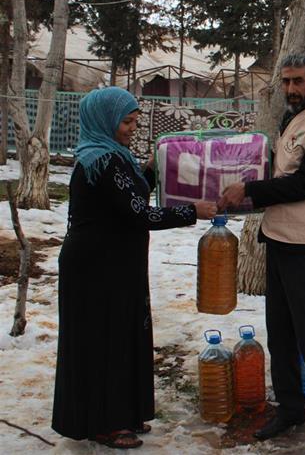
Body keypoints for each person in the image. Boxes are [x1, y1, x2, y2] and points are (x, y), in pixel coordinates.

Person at [52, 87, 217, 449]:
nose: (131, 128)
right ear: (105, 120)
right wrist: (192, 211)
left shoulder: (113, 156)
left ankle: (122, 413)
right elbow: (139, 213)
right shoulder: (103, 160)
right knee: (103, 341)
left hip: (115, 263)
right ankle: (104, 424)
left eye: (134, 121)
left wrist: (154, 167)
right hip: (95, 268)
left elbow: (131, 194)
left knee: (123, 335)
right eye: (126, 122)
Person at [219, 54, 305, 452]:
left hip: (304, 246)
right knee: (279, 335)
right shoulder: (290, 119)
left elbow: (304, 185)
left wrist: (249, 190)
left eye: (298, 81)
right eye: (286, 82)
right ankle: (291, 409)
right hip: (277, 239)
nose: (291, 89)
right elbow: (279, 173)